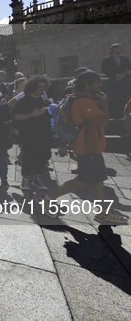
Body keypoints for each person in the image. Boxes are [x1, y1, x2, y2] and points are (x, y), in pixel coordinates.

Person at [40, 70, 128, 224]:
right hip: (88, 146)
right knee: (84, 179)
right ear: (87, 84)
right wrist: (105, 103)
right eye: (97, 82)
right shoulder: (84, 102)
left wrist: (63, 145)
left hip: (91, 146)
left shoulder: (77, 99)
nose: (101, 85)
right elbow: (104, 121)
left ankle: (103, 212)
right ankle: (48, 199)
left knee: (98, 179)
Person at [12, 75, 52, 191]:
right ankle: (25, 179)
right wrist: (31, 115)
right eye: (39, 87)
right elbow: (15, 116)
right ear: (32, 87)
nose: (42, 89)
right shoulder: (24, 101)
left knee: (42, 156)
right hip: (29, 134)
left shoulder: (45, 102)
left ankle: (37, 178)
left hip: (44, 134)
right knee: (29, 156)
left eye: (43, 87)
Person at [102, 43, 130, 118]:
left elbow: (128, 67)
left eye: (122, 47)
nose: (121, 49)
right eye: (119, 47)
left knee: (125, 97)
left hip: (124, 80)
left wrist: (122, 75)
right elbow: (105, 70)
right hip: (112, 81)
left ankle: (125, 113)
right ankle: (111, 114)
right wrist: (115, 76)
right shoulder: (107, 59)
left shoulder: (125, 58)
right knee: (112, 98)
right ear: (114, 49)